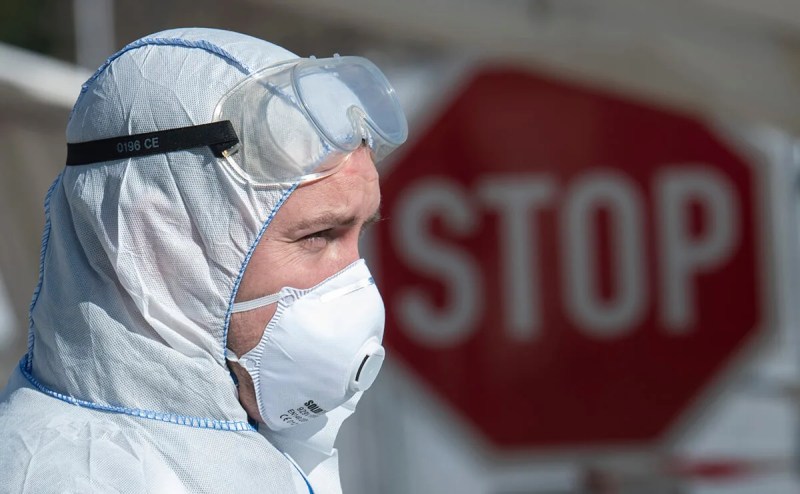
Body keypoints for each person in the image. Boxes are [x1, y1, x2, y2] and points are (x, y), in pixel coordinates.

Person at [0, 27, 407, 493]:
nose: (354, 283)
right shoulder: (75, 476)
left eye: (361, 231)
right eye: (317, 235)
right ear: (158, 243)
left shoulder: (227, 441)